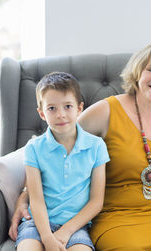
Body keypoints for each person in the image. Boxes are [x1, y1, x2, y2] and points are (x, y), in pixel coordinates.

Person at [10, 41, 151, 250]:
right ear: (138, 72)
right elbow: (56, 145)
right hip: (116, 214)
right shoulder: (106, 110)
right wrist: (24, 197)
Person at [16, 72, 110, 251]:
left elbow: (96, 202)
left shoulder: (96, 146)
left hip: (75, 227)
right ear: (42, 113)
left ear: (79, 108)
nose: (60, 115)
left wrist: (65, 232)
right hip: (37, 225)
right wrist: (46, 237)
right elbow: (36, 200)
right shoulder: (33, 148)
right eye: (51, 108)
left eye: (68, 106)